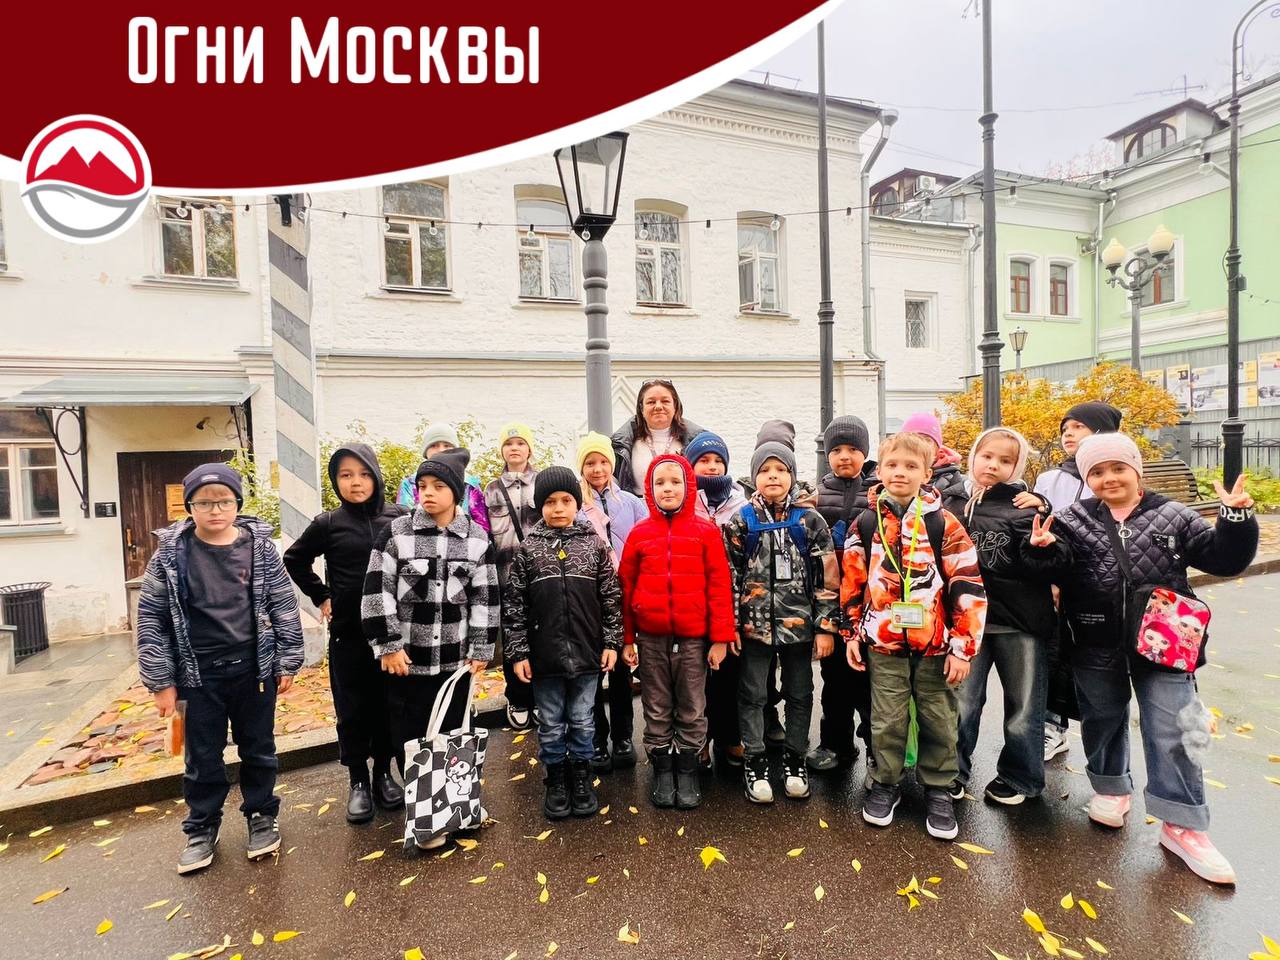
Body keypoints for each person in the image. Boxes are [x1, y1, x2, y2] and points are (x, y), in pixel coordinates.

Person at [1021, 433, 1257, 885]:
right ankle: (1111, 788)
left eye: (1117, 468)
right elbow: (1053, 570)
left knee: (1173, 726)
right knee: (1101, 716)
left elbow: (1224, 561)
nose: (1108, 478)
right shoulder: (1073, 519)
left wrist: (1236, 518)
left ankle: (1183, 823)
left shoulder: (1173, 514)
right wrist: (1042, 550)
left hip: (1164, 641)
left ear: (1136, 469)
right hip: (1094, 637)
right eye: (1096, 472)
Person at [137, 463, 304, 875]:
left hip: (254, 671)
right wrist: (161, 682)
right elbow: (151, 618)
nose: (215, 510)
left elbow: (283, 604)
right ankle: (201, 827)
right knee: (200, 756)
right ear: (190, 506)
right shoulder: (170, 555)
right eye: (204, 503)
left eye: (224, 501)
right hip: (194, 676)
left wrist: (287, 659)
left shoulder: (259, 548)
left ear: (237, 504)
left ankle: (261, 815)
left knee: (259, 749)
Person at [840, 432, 987, 840]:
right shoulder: (866, 522)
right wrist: (851, 632)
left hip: (935, 646)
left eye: (910, 466)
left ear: (927, 474)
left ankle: (939, 787)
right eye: (892, 465)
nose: (900, 473)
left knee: (939, 717)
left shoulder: (944, 523)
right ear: (880, 470)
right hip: (884, 644)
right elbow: (852, 582)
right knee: (886, 719)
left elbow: (968, 585)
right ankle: (886, 782)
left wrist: (963, 647)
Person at [362, 447, 500, 851]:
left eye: (439, 486)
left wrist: (481, 648)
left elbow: (486, 599)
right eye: (422, 485)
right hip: (407, 663)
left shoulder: (477, 539)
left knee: (455, 734)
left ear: (457, 492)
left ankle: (457, 806)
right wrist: (388, 645)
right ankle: (425, 814)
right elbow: (376, 592)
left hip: (455, 664)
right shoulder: (397, 534)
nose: (428, 493)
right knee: (412, 738)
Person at [284, 445, 406, 825]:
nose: (356, 482)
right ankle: (358, 781)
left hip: (391, 634)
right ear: (336, 481)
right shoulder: (328, 523)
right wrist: (321, 595)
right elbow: (294, 559)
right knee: (352, 709)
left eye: (364, 474)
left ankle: (383, 773)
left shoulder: (398, 517)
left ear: (376, 476)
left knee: (387, 705)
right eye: (346, 475)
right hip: (348, 634)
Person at [724, 436, 838, 805]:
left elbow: (827, 578)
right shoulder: (741, 521)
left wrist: (825, 628)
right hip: (753, 630)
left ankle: (795, 758)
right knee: (753, 695)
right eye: (765, 470)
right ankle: (755, 760)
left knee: (800, 693)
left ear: (792, 474)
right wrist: (732, 626)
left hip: (799, 629)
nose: (773, 476)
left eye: (780, 469)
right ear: (754, 477)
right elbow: (730, 578)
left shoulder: (809, 521)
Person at [504, 467, 624, 821]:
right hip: (545, 658)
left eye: (566, 500)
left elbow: (611, 598)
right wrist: (518, 653)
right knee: (551, 722)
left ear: (577, 503)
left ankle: (581, 774)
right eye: (551, 502)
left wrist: (612, 642)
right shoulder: (528, 550)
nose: (558, 508)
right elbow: (515, 606)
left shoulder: (594, 545)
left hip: (587, 654)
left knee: (583, 719)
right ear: (540, 505)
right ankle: (556, 777)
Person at [944, 427, 1055, 807]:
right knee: (961, 702)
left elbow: (1053, 563)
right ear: (973, 456)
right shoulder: (950, 504)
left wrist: (1042, 548)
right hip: (965, 624)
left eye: (1005, 460)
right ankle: (951, 771)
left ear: (1017, 467)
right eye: (987, 456)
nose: (993, 465)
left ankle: (1020, 776)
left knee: (1024, 706)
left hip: (1018, 621)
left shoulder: (1027, 507)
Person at [617, 454, 735, 810]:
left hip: (693, 638)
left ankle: (688, 767)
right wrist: (627, 638)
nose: (668, 489)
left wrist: (720, 638)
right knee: (656, 704)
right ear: (649, 489)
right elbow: (626, 588)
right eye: (660, 483)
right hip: (651, 637)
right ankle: (662, 768)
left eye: (675, 482)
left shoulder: (705, 532)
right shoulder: (640, 534)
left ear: (688, 486)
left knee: (692, 704)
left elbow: (719, 585)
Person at [1033, 401, 1123, 763]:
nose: (1068, 434)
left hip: (1096, 587)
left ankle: (1107, 764)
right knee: (1051, 656)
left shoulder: (1113, 478)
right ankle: (1051, 727)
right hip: (1052, 578)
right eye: (1065, 428)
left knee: (1091, 666)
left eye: (1078, 427)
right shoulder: (1050, 479)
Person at [809, 415, 877, 777]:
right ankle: (836, 744)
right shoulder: (816, 495)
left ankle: (876, 750)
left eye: (852, 449)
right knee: (834, 681)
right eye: (836, 450)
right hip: (832, 603)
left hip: (870, 604)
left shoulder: (879, 491)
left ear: (865, 452)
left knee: (870, 684)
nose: (844, 456)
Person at [576, 432, 647, 773]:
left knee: (620, 672)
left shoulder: (631, 503)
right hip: (589, 600)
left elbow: (645, 545)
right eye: (590, 463)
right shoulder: (576, 508)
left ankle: (622, 736)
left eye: (603, 461)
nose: (597, 468)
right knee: (591, 671)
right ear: (582, 468)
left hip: (623, 597)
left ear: (613, 464)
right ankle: (596, 737)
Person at [685, 430, 749, 768]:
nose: (711, 467)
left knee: (729, 675)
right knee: (696, 679)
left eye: (717, 461)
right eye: (703, 461)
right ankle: (701, 739)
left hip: (730, 601)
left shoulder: (742, 504)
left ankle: (729, 736)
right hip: (694, 600)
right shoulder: (683, 503)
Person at [484, 422, 540, 730]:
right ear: (502, 451)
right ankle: (517, 698)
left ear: (529, 449)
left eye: (520, 442)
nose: (514, 448)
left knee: (541, 635)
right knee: (512, 638)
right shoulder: (492, 488)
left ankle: (540, 697)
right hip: (504, 573)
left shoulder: (541, 482)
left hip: (538, 572)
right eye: (509, 443)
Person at [610, 379, 706, 496]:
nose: (658, 406)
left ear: (675, 406)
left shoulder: (695, 442)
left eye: (665, 401)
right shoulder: (621, 446)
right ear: (641, 408)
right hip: (637, 507)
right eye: (651, 402)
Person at [396, 424, 489, 532]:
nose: (441, 450)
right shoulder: (409, 484)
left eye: (447, 445)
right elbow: (403, 520)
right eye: (434, 445)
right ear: (425, 451)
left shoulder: (470, 484)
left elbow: (482, 526)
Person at [901, 412, 967, 503]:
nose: (918, 445)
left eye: (926, 440)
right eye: (912, 440)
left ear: (938, 447)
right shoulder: (888, 478)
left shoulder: (958, 484)